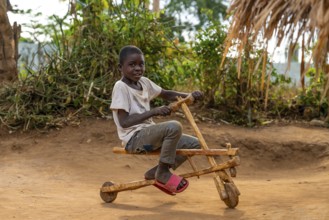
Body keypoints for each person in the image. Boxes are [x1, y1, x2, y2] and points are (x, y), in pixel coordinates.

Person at [110, 45, 203, 195]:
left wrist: (189, 95)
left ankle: (158, 171)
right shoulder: (121, 87)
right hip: (135, 141)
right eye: (132, 65)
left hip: (150, 139)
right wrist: (154, 111)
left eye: (141, 64)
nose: (138, 68)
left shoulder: (144, 82)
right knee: (173, 127)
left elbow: (166, 94)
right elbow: (124, 122)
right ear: (121, 67)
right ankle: (163, 173)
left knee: (194, 144)